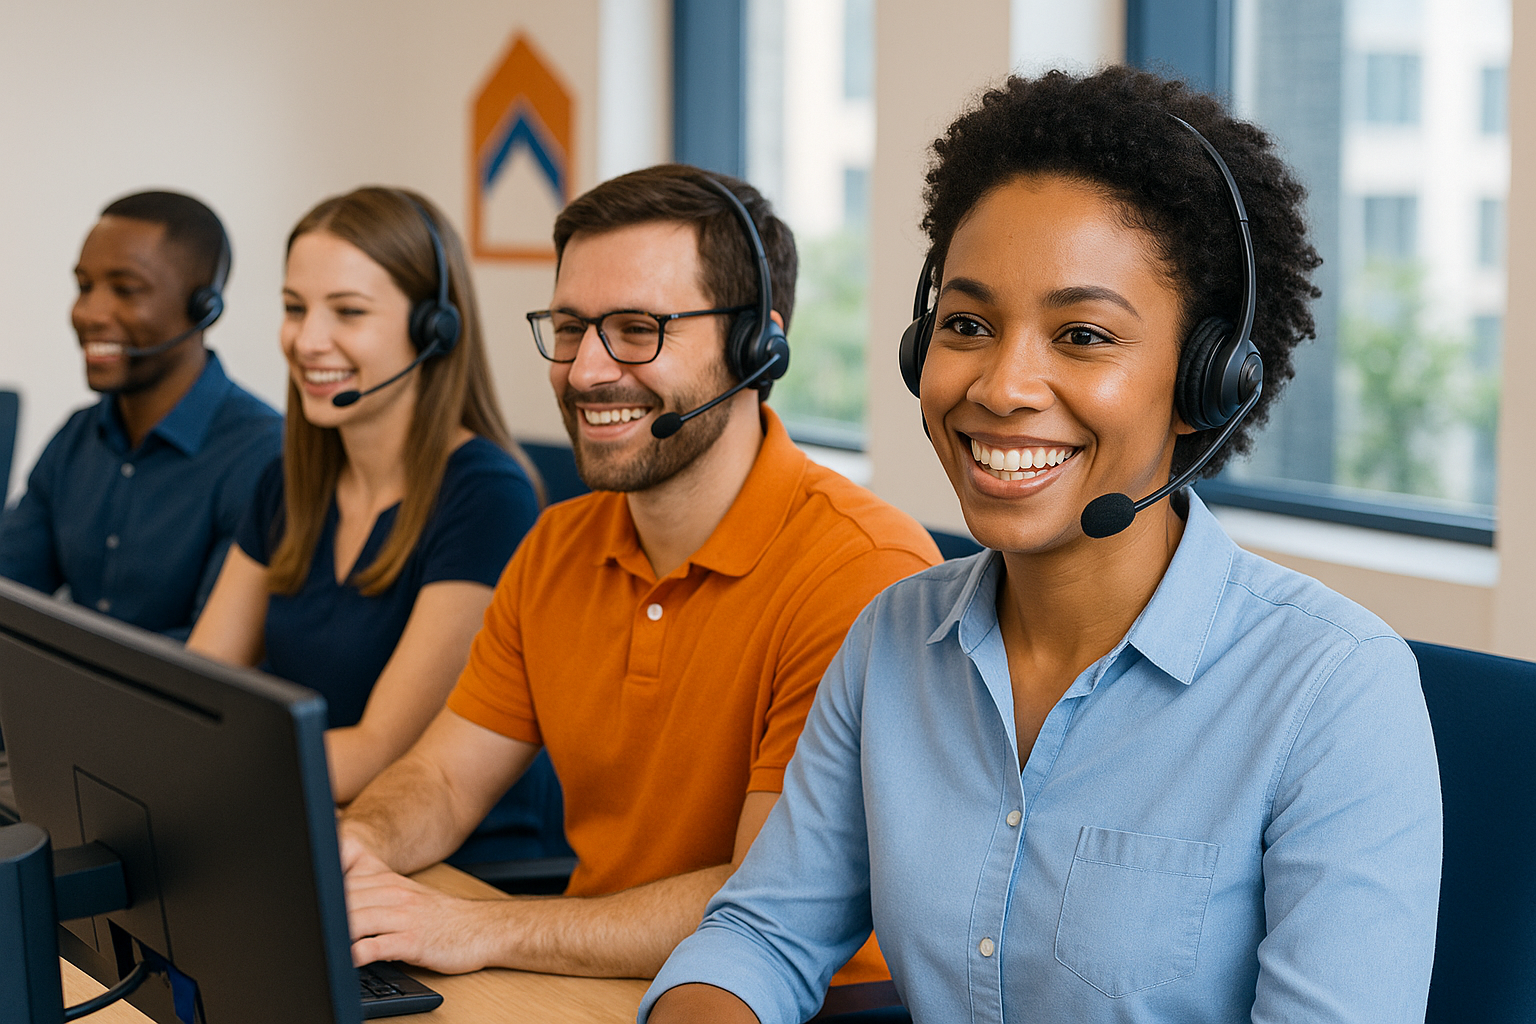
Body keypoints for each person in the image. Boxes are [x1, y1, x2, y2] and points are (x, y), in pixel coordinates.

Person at [644, 69, 1442, 1024]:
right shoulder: (895, 639)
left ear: (1207, 385)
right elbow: (764, 934)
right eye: (968, 324)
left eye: (1083, 335)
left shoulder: (1333, 691)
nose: (1004, 384)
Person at [337, 165, 941, 986]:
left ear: (756, 346)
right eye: (569, 326)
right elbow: (442, 779)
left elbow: (765, 896)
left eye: (635, 329)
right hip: (585, 985)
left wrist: (476, 926)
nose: (586, 371)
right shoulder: (557, 545)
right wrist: (354, 848)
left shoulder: (862, 571)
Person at [187, 188, 551, 827]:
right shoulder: (288, 481)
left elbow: (380, 749)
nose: (307, 341)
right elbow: (194, 686)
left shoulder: (488, 496)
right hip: (301, 813)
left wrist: (191, 766)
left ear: (432, 331)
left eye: (349, 312)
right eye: (294, 309)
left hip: (447, 864)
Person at [0, 191, 281, 639]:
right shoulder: (78, 435)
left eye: (126, 290)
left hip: (166, 707)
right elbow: (10, 586)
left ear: (203, 309)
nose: (89, 313)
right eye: (84, 286)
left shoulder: (263, 455)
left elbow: (214, 660)